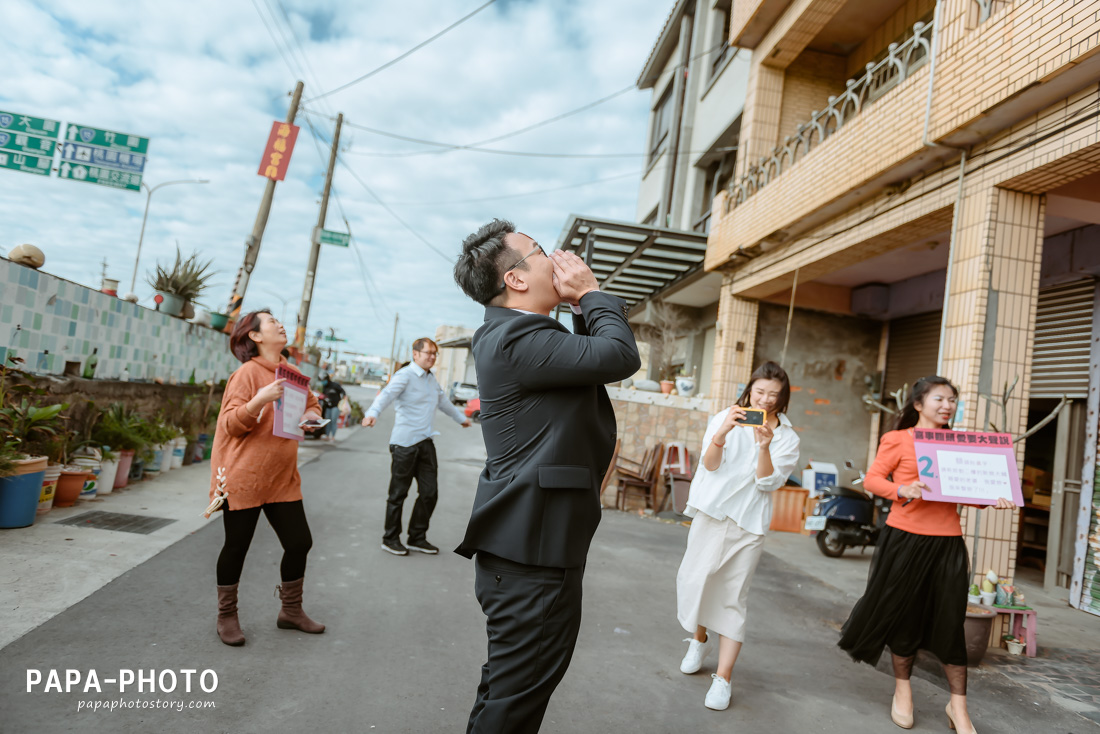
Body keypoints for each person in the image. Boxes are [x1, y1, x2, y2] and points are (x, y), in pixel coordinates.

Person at [453, 219, 640, 734]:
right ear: (514, 279)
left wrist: (581, 309)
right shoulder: (516, 337)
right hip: (533, 556)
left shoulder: (516, 334)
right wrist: (592, 294)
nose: (556, 256)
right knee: (514, 704)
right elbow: (619, 356)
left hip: (531, 548)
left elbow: (588, 365)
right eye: (538, 251)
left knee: (506, 693)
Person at [837, 376, 1014, 733]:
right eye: (940, 399)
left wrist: (990, 498)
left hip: (947, 542)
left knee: (950, 622)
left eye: (953, 400)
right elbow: (873, 479)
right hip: (904, 540)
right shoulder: (898, 439)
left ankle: (958, 706)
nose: (948, 406)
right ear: (918, 404)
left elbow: (967, 489)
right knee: (906, 617)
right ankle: (903, 689)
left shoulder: (959, 443)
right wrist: (902, 489)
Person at [675, 361, 801, 711]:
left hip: (748, 523)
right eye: (760, 391)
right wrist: (723, 431)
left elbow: (767, 483)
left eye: (773, 395)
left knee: (732, 596)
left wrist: (764, 447)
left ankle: (724, 678)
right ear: (750, 390)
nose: (765, 400)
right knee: (697, 581)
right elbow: (710, 464)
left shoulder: (788, 438)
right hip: (712, 514)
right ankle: (699, 640)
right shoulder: (725, 417)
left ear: (782, 398)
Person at [209, 310, 326, 647]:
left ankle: (291, 611)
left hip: (281, 478)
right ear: (256, 336)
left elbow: (313, 404)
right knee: (237, 547)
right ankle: (226, 615)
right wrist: (260, 400)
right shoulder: (246, 373)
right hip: (244, 476)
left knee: (299, 542)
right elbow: (230, 425)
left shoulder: (292, 373)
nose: (280, 324)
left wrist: (310, 416)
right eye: (272, 321)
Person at [361, 337, 471, 556]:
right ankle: (390, 538)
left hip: (426, 443)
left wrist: (461, 419)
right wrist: (372, 413)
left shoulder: (431, 379)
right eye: (428, 352)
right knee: (398, 494)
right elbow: (386, 395)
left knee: (430, 493)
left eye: (434, 353)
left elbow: (444, 403)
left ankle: (417, 538)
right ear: (415, 354)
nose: (432, 357)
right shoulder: (405, 376)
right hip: (404, 444)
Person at [318, 372, 345, 441]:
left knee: (333, 421)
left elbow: (343, 393)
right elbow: (324, 395)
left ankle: (333, 436)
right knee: (327, 421)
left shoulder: (335, 385)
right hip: (328, 407)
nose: (323, 382)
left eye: (324, 380)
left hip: (335, 406)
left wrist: (342, 402)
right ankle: (327, 435)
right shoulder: (325, 387)